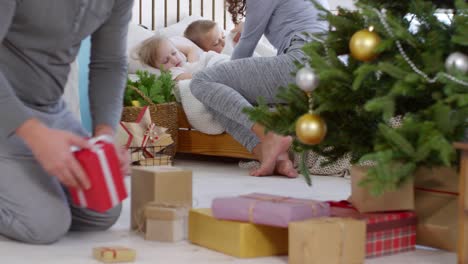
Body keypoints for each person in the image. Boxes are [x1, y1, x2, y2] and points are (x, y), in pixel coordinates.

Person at [0, 1, 134, 244]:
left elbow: (110, 62)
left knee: (101, 210)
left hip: (50, 108)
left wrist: (105, 135)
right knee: (44, 224)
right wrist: (34, 134)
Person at [190, 0, 329, 177]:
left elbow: (247, 45)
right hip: (328, 71)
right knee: (218, 97)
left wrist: (228, 78)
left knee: (202, 82)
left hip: (303, 64)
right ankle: (276, 158)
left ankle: (269, 137)